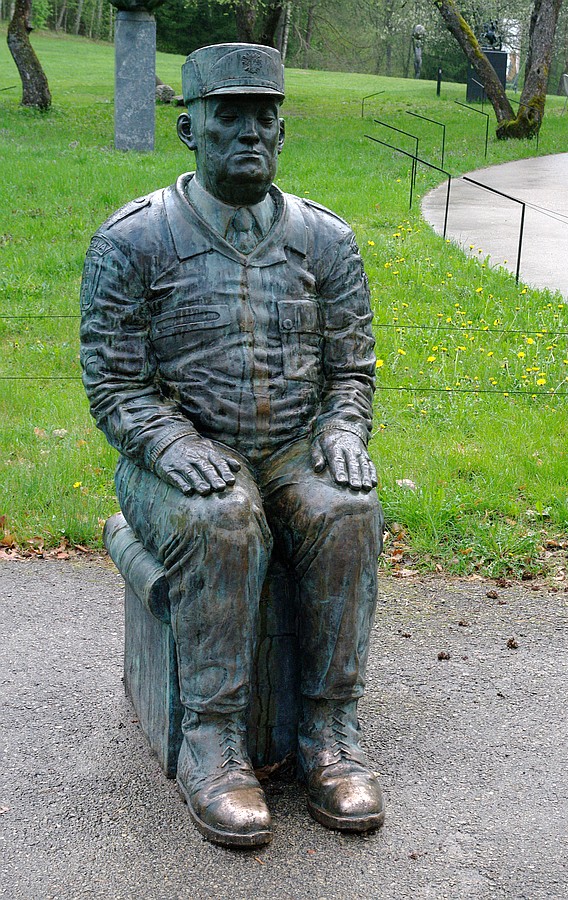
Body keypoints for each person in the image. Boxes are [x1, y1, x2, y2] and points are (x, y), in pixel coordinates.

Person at [80, 43, 384, 848]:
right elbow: (113, 383)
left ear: (282, 132)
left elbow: (351, 369)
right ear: (190, 129)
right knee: (223, 520)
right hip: (172, 456)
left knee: (349, 511)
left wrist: (342, 428)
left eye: (264, 119)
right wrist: (168, 442)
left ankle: (331, 730)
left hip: (290, 447)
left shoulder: (327, 241)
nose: (249, 133)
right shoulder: (133, 240)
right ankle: (212, 739)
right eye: (228, 118)